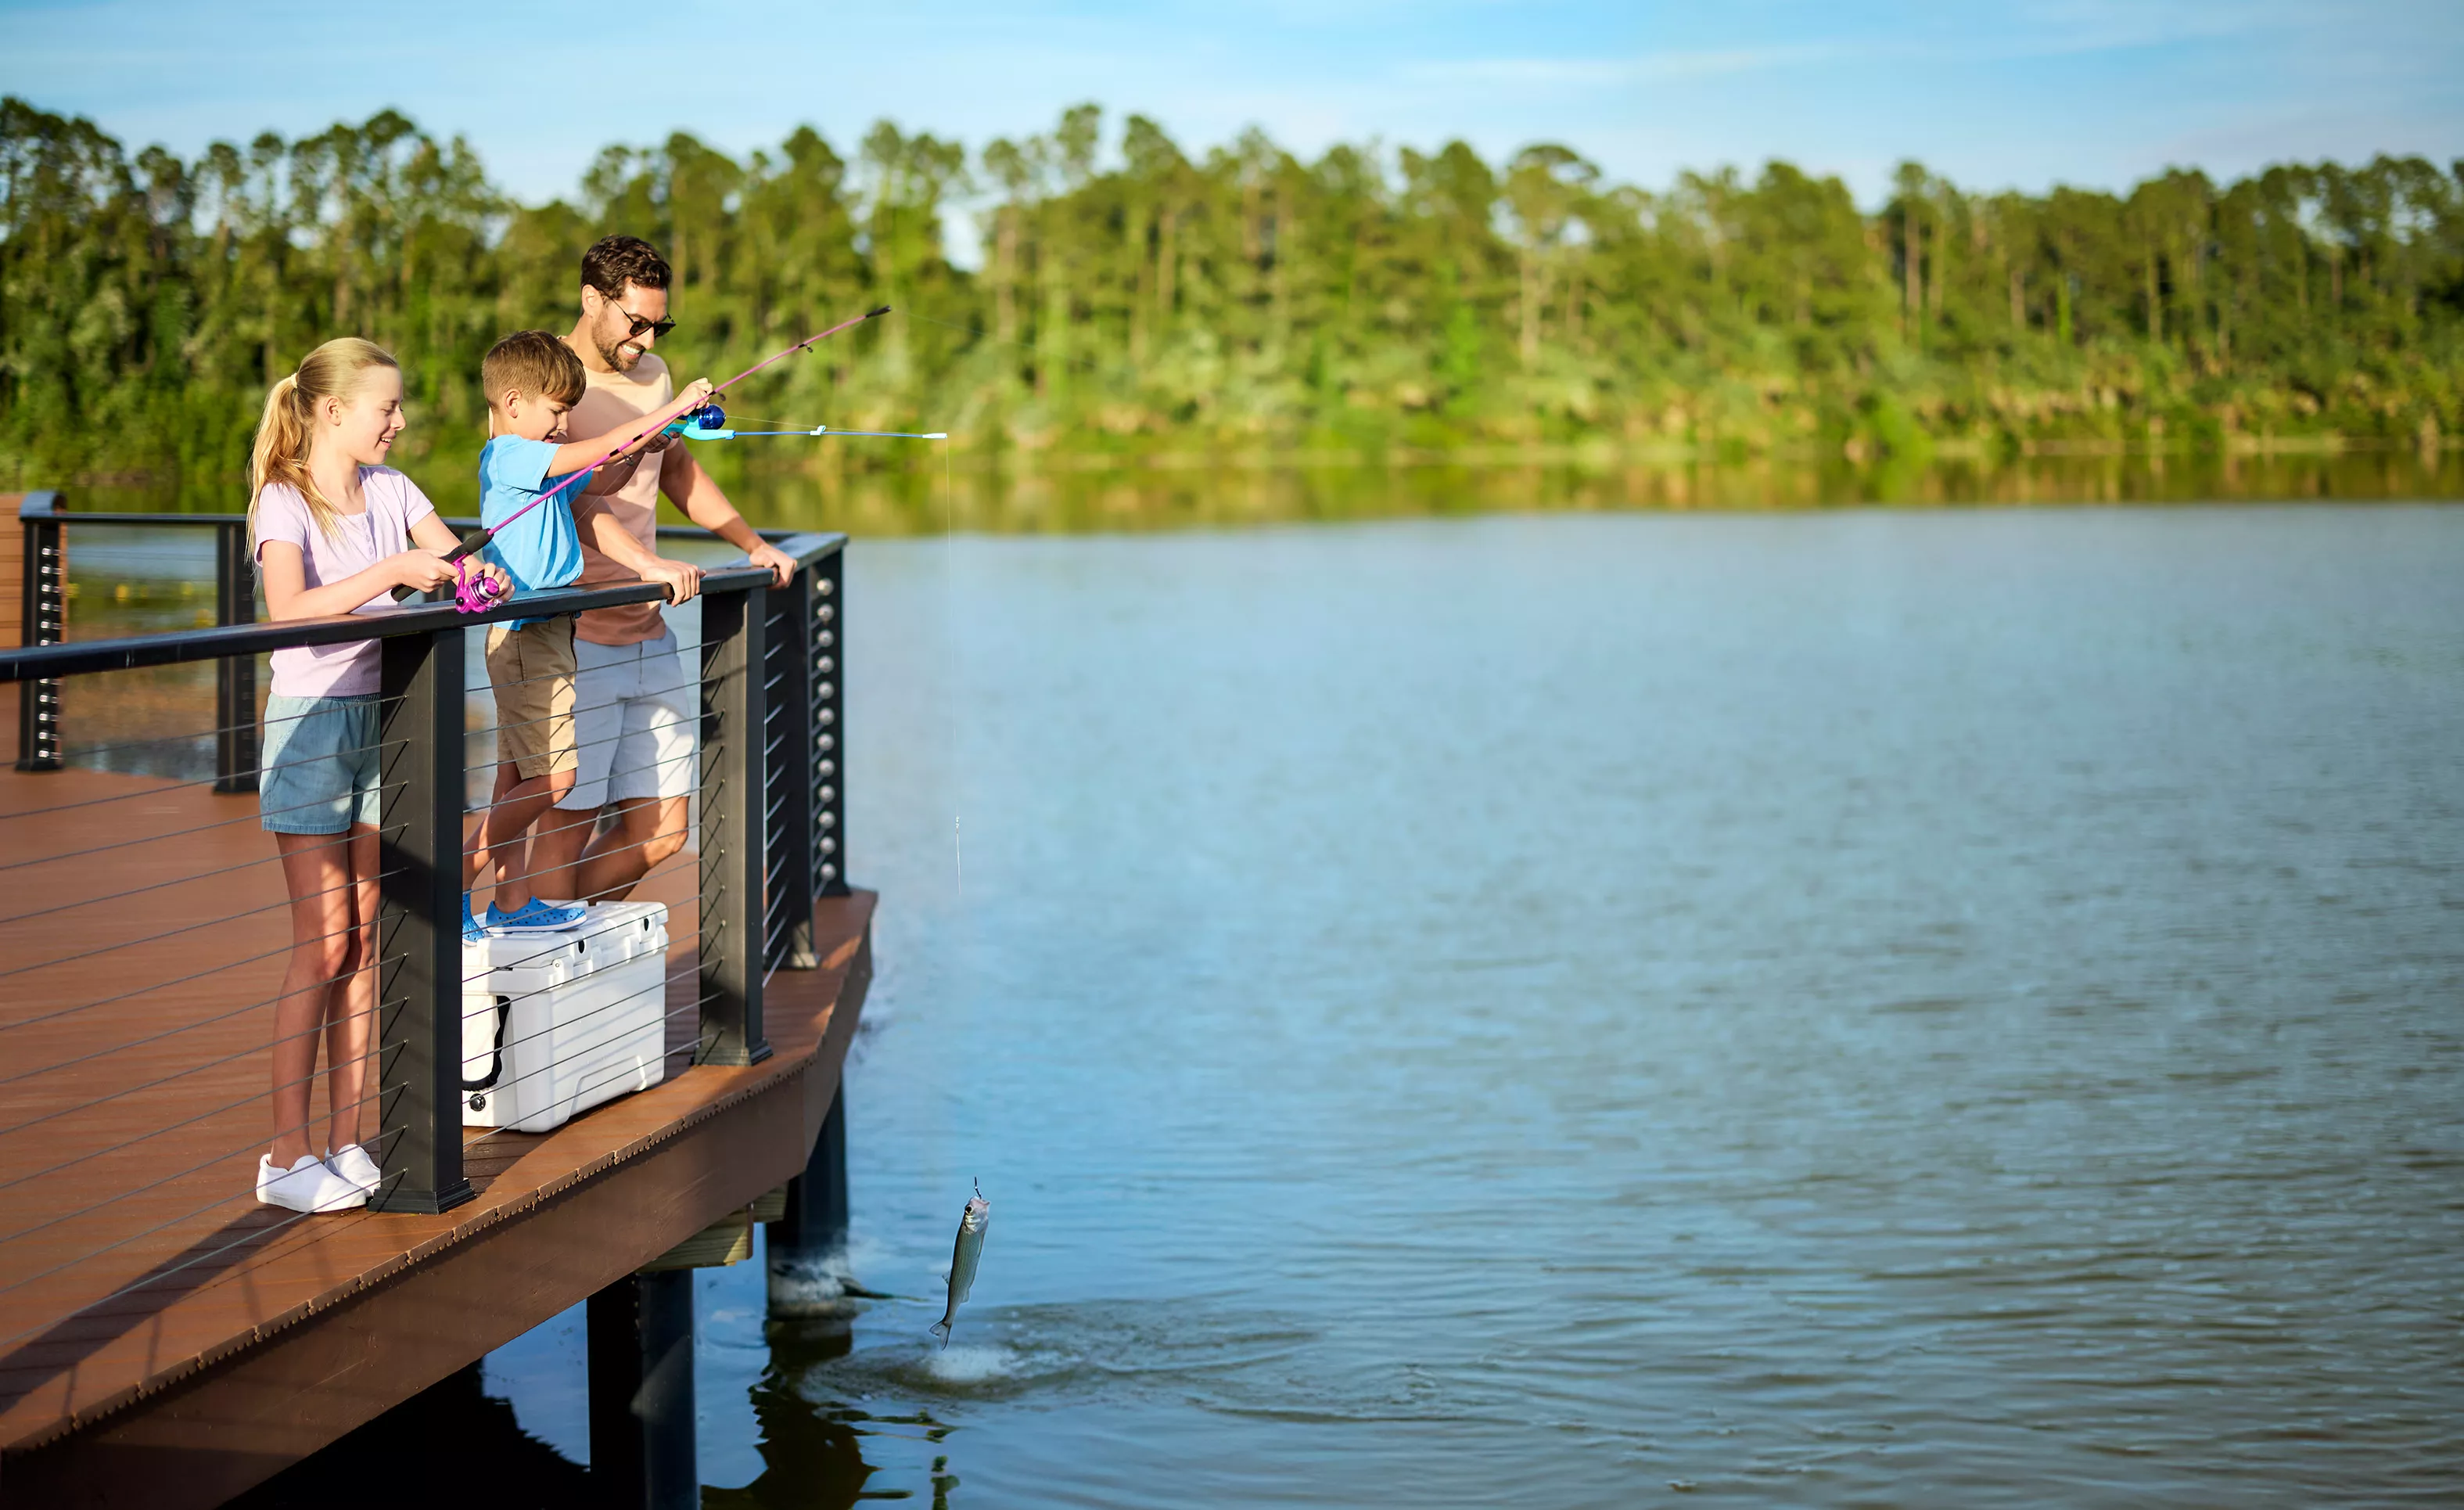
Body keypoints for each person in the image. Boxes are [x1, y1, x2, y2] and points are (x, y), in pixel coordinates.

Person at [248, 336, 509, 1214]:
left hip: (387, 725)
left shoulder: (394, 492)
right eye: (385, 408)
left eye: (399, 408)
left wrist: (477, 580)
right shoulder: (283, 502)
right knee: (322, 944)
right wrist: (394, 572)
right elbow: (291, 613)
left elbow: (459, 562)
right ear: (331, 411)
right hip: (314, 731)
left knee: (365, 940)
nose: (400, 422)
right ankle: (287, 1157)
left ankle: (349, 1140)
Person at [531, 236, 797, 904]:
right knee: (568, 825)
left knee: (662, 832)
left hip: (650, 627)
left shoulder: (655, 376)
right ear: (592, 300)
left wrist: (751, 543)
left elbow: (676, 469)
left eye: (659, 324)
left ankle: (551, 943)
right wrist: (648, 558)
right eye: (635, 322)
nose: (646, 338)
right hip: (574, 635)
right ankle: (534, 977)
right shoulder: (543, 383)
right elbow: (569, 500)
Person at [462, 330, 712, 940]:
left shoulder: (542, 463)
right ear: (514, 402)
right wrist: (671, 407)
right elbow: (594, 448)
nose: (562, 423)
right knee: (558, 780)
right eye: (556, 410)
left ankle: (512, 901)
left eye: (569, 412)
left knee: (514, 780)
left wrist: (653, 441)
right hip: (525, 636)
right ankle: (452, 878)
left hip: (549, 632)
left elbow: (598, 477)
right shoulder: (511, 454)